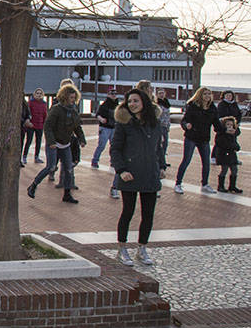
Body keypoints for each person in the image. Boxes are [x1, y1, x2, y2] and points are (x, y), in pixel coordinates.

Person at [111, 88, 167, 267]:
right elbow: (115, 149)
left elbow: (158, 147)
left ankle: (142, 248)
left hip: (149, 173)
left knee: (148, 214)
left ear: (144, 102)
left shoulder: (154, 123)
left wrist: (162, 165)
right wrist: (121, 170)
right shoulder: (124, 123)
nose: (132, 104)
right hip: (130, 174)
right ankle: (122, 248)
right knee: (128, 211)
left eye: (135, 101)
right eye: (129, 101)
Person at [26, 84, 85, 204]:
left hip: (65, 144)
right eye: (71, 98)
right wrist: (51, 142)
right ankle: (33, 185)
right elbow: (48, 126)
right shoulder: (57, 109)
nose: (73, 100)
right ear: (65, 97)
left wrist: (82, 139)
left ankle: (67, 194)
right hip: (54, 143)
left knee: (68, 168)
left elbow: (77, 126)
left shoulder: (74, 110)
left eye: (74, 98)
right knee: (51, 167)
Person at [174, 87, 221, 194]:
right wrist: (186, 125)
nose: (207, 96)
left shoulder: (212, 108)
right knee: (186, 160)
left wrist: (226, 130)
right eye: (205, 94)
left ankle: (205, 184)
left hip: (204, 139)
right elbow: (184, 120)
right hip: (191, 137)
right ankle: (178, 183)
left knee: (206, 162)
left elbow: (216, 124)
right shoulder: (193, 106)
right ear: (200, 95)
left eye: (209, 94)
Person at [90, 88, 119, 168]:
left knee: (114, 146)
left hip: (114, 127)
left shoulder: (117, 105)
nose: (114, 95)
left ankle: (113, 161)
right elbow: (97, 115)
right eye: (112, 93)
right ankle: (95, 161)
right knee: (101, 145)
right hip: (105, 128)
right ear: (108, 95)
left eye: (115, 94)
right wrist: (102, 119)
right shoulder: (104, 105)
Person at [215, 116, 242, 194]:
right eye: (228, 124)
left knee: (234, 169)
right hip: (224, 154)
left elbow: (234, 142)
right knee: (224, 169)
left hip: (231, 154)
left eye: (231, 125)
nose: (230, 126)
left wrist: (237, 147)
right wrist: (233, 147)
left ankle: (232, 186)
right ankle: (220, 186)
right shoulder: (221, 134)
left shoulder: (233, 134)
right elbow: (220, 143)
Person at [24, 88, 47, 164]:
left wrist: (44, 123)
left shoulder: (44, 103)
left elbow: (45, 114)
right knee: (29, 141)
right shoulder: (30, 102)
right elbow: (28, 113)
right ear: (34, 94)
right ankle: (24, 156)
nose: (39, 95)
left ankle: (36, 157)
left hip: (40, 125)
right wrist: (28, 122)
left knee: (38, 142)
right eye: (37, 93)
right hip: (31, 125)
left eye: (40, 93)